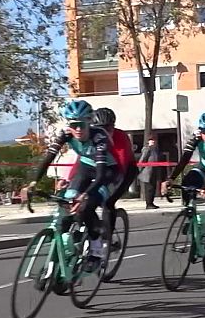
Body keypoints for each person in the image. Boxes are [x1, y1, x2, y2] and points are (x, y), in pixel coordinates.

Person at [27, 99, 116, 272]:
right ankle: (68, 247)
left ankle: (97, 250)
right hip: (84, 167)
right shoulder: (66, 134)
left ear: (89, 122)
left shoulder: (100, 137)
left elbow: (99, 175)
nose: (78, 129)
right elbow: (47, 159)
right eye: (74, 125)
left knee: (87, 205)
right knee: (68, 199)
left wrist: (85, 195)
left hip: (106, 172)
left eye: (82, 125)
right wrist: (33, 183)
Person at [161, 110, 205, 277]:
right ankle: (190, 213)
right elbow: (185, 157)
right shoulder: (197, 136)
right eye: (204, 130)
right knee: (188, 181)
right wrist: (171, 178)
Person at [91, 108, 138, 247]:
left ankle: (107, 239)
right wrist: (68, 178)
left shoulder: (120, 136)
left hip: (124, 171)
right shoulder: (93, 137)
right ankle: (93, 229)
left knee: (108, 202)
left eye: (109, 128)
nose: (106, 132)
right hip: (101, 170)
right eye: (101, 128)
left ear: (113, 126)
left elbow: (121, 163)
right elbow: (81, 160)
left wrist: (106, 186)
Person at [138, 135, 160, 209]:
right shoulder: (147, 149)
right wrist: (139, 170)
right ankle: (149, 204)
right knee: (149, 189)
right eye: (151, 140)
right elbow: (142, 160)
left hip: (154, 171)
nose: (153, 141)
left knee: (153, 188)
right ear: (148, 141)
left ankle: (151, 203)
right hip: (147, 172)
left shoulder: (156, 150)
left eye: (154, 140)